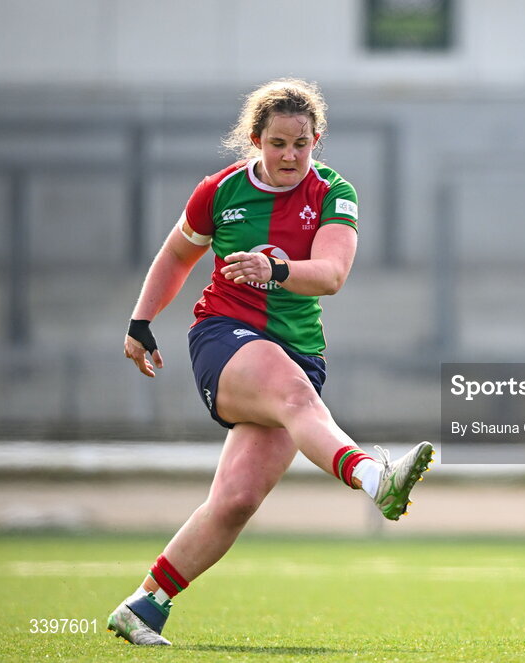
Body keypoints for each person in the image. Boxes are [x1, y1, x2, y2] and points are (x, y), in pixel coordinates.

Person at [107, 78, 434, 646]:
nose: (289, 156)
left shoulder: (334, 193)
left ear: (316, 141)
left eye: (301, 144)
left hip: (299, 352)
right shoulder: (219, 192)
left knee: (235, 501)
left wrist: (276, 269)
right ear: (255, 139)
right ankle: (374, 478)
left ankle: (144, 605)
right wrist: (141, 319)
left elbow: (331, 275)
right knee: (295, 398)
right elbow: (177, 255)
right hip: (223, 336)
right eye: (278, 143)